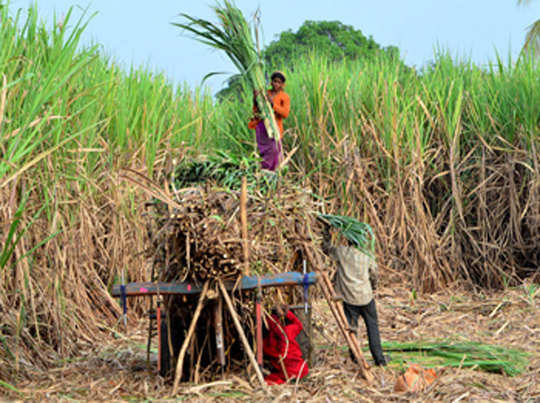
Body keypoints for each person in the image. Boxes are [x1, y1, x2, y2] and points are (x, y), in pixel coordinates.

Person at [323, 230, 388, 367]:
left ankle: (354, 356)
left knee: (352, 327)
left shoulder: (342, 252)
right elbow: (374, 274)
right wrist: (373, 287)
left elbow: (326, 249)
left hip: (349, 298)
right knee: (372, 327)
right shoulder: (367, 255)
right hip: (366, 297)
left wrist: (326, 232)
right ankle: (379, 359)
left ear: (349, 240)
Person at [248, 71, 290, 171]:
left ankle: (273, 173)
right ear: (271, 82)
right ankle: (264, 172)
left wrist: (272, 105)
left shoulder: (284, 97)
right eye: (274, 81)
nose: (276, 84)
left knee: (275, 150)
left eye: (279, 82)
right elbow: (256, 110)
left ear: (283, 85)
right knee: (265, 151)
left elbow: (285, 113)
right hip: (263, 127)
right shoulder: (265, 93)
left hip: (275, 128)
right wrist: (255, 99)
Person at [263, 303, 309, 385]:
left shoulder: (269, 342)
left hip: (287, 373)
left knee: (271, 378)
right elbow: (298, 325)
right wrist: (287, 313)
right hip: (302, 370)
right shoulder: (288, 331)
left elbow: (265, 352)